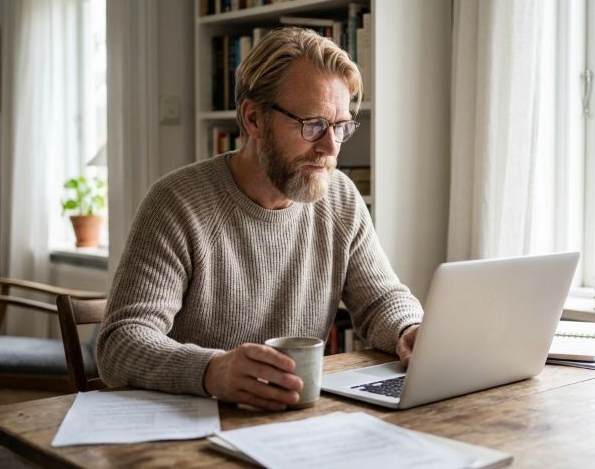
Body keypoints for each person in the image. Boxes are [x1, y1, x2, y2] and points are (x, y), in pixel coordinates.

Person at [97, 27, 423, 411]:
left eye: (341, 126)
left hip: (293, 423)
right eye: (313, 124)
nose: (330, 147)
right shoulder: (178, 203)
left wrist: (409, 329)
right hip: (194, 425)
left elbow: (381, 299)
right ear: (253, 119)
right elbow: (122, 341)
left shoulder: (340, 197)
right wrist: (211, 370)